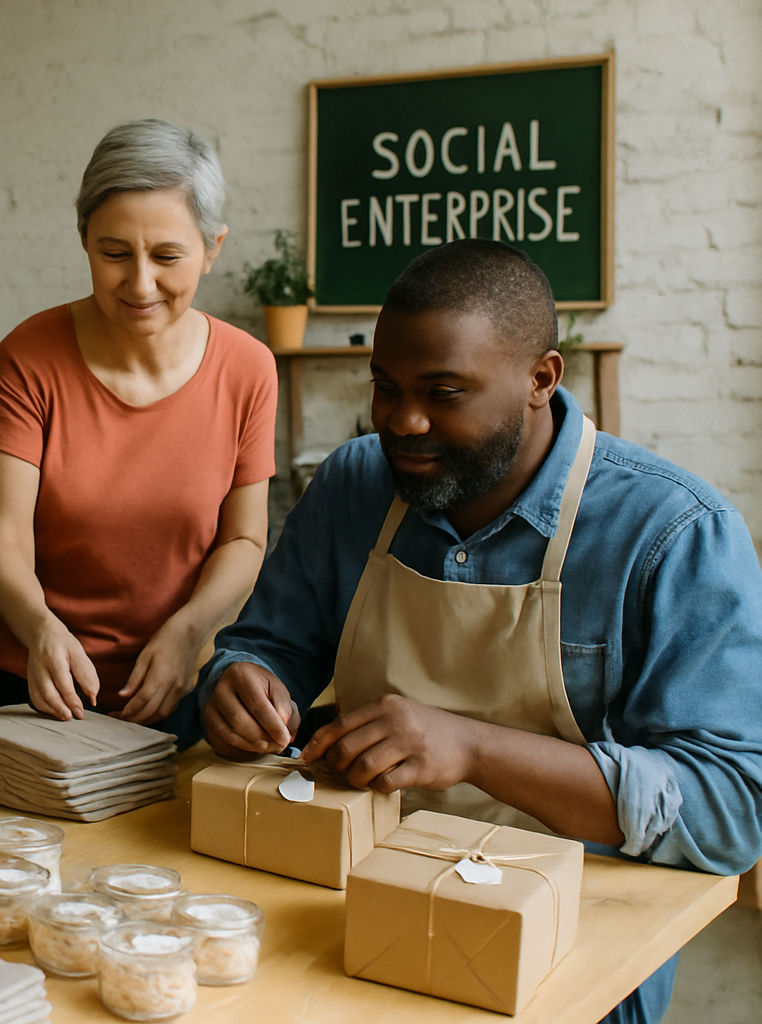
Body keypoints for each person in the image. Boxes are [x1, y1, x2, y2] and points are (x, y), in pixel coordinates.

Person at [199, 239, 762, 1024]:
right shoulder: (354, 483)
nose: (403, 421)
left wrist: (472, 748)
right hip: (354, 911)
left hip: (567, 949)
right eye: (385, 388)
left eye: (443, 392)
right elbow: (268, 647)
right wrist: (240, 683)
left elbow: (729, 811)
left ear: (541, 380)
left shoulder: (673, 534)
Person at [0, 119, 276, 743]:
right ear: (84, 240)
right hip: (22, 678)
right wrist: (40, 630)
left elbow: (244, 539)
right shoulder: (28, 358)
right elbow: (4, 539)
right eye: (114, 254)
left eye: (167, 256)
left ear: (213, 248)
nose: (140, 284)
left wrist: (190, 632)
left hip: (173, 681)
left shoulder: (248, 368)